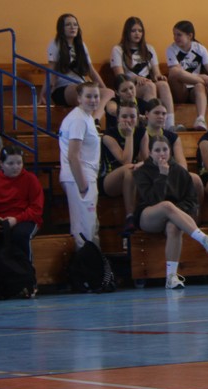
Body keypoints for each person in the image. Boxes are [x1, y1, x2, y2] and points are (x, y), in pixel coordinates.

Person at [132, 135, 208, 290]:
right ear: (150, 153)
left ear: (170, 151)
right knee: (167, 206)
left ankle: (171, 277)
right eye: (157, 150)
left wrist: (176, 215)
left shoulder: (179, 171)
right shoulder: (142, 171)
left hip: (173, 215)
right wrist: (162, 176)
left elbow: (191, 201)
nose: (162, 153)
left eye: (165, 149)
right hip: (149, 215)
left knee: (174, 227)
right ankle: (207, 242)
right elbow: (152, 200)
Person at [0, 145, 43, 264]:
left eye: (19, 163)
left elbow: (36, 208)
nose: (16, 167)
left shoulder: (31, 179)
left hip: (25, 219)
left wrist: (16, 219)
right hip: (0, 219)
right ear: (1, 164)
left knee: (20, 234)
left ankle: (25, 269)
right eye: (10, 163)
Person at [137, 99, 204, 216]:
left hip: (170, 171)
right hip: (149, 173)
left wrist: (175, 174)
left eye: (163, 114)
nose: (161, 116)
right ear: (147, 114)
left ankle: (196, 217)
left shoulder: (172, 136)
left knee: (196, 179)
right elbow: (144, 160)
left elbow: (181, 163)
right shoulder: (140, 134)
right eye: (156, 113)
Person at [110, 17, 178, 130]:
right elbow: (119, 77)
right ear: (127, 32)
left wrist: (159, 77)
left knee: (163, 85)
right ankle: (150, 124)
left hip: (147, 81)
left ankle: (170, 124)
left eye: (140, 31)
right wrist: (135, 78)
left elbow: (156, 73)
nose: (137, 33)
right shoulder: (118, 49)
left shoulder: (149, 48)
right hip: (131, 86)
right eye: (133, 31)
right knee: (149, 86)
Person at [47, 14, 114, 124]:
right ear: (61, 28)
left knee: (109, 93)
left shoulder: (81, 45)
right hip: (63, 89)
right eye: (68, 25)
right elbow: (51, 72)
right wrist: (44, 94)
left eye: (75, 24)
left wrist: (104, 89)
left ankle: (94, 121)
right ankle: (88, 124)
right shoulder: (55, 44)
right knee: (86, 93)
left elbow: (91, 71)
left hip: (81, 85)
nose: (72, 27)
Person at [58, 82, 103, 247]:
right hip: (79, 178)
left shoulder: (86, 117)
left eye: (96, 96)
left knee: (90, 227)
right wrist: (83, 186)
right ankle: (85, 262)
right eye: (88, 96)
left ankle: (93, 261)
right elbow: (73, 155)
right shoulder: (78, 120)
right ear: (79, 98)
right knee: (84, 231)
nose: (93, 100)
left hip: (83, 177)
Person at [166, 20, 208, 131]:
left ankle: (201, 119)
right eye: (174, 34)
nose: (175, 38)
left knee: (199, 86)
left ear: (190, 36)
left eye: (179, 35)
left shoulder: (199, 48)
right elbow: (178, 73)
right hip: (180, 89)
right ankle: (201, 81)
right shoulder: (171, 49)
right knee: (174, 72)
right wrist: (201, 78)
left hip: (195, 89)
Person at [97, 101, 145, 226]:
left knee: (139, 171)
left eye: (132, 116)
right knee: (129, 168)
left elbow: (147, 160)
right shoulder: (109, 135)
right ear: (118, 118)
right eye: (124, 116)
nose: (128, 120)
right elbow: (125, 161)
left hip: (132, 174)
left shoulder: (142, 132)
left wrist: (141, 164)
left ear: (137, 118)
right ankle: (130, 216)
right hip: (108, 179)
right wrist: (129, 135)